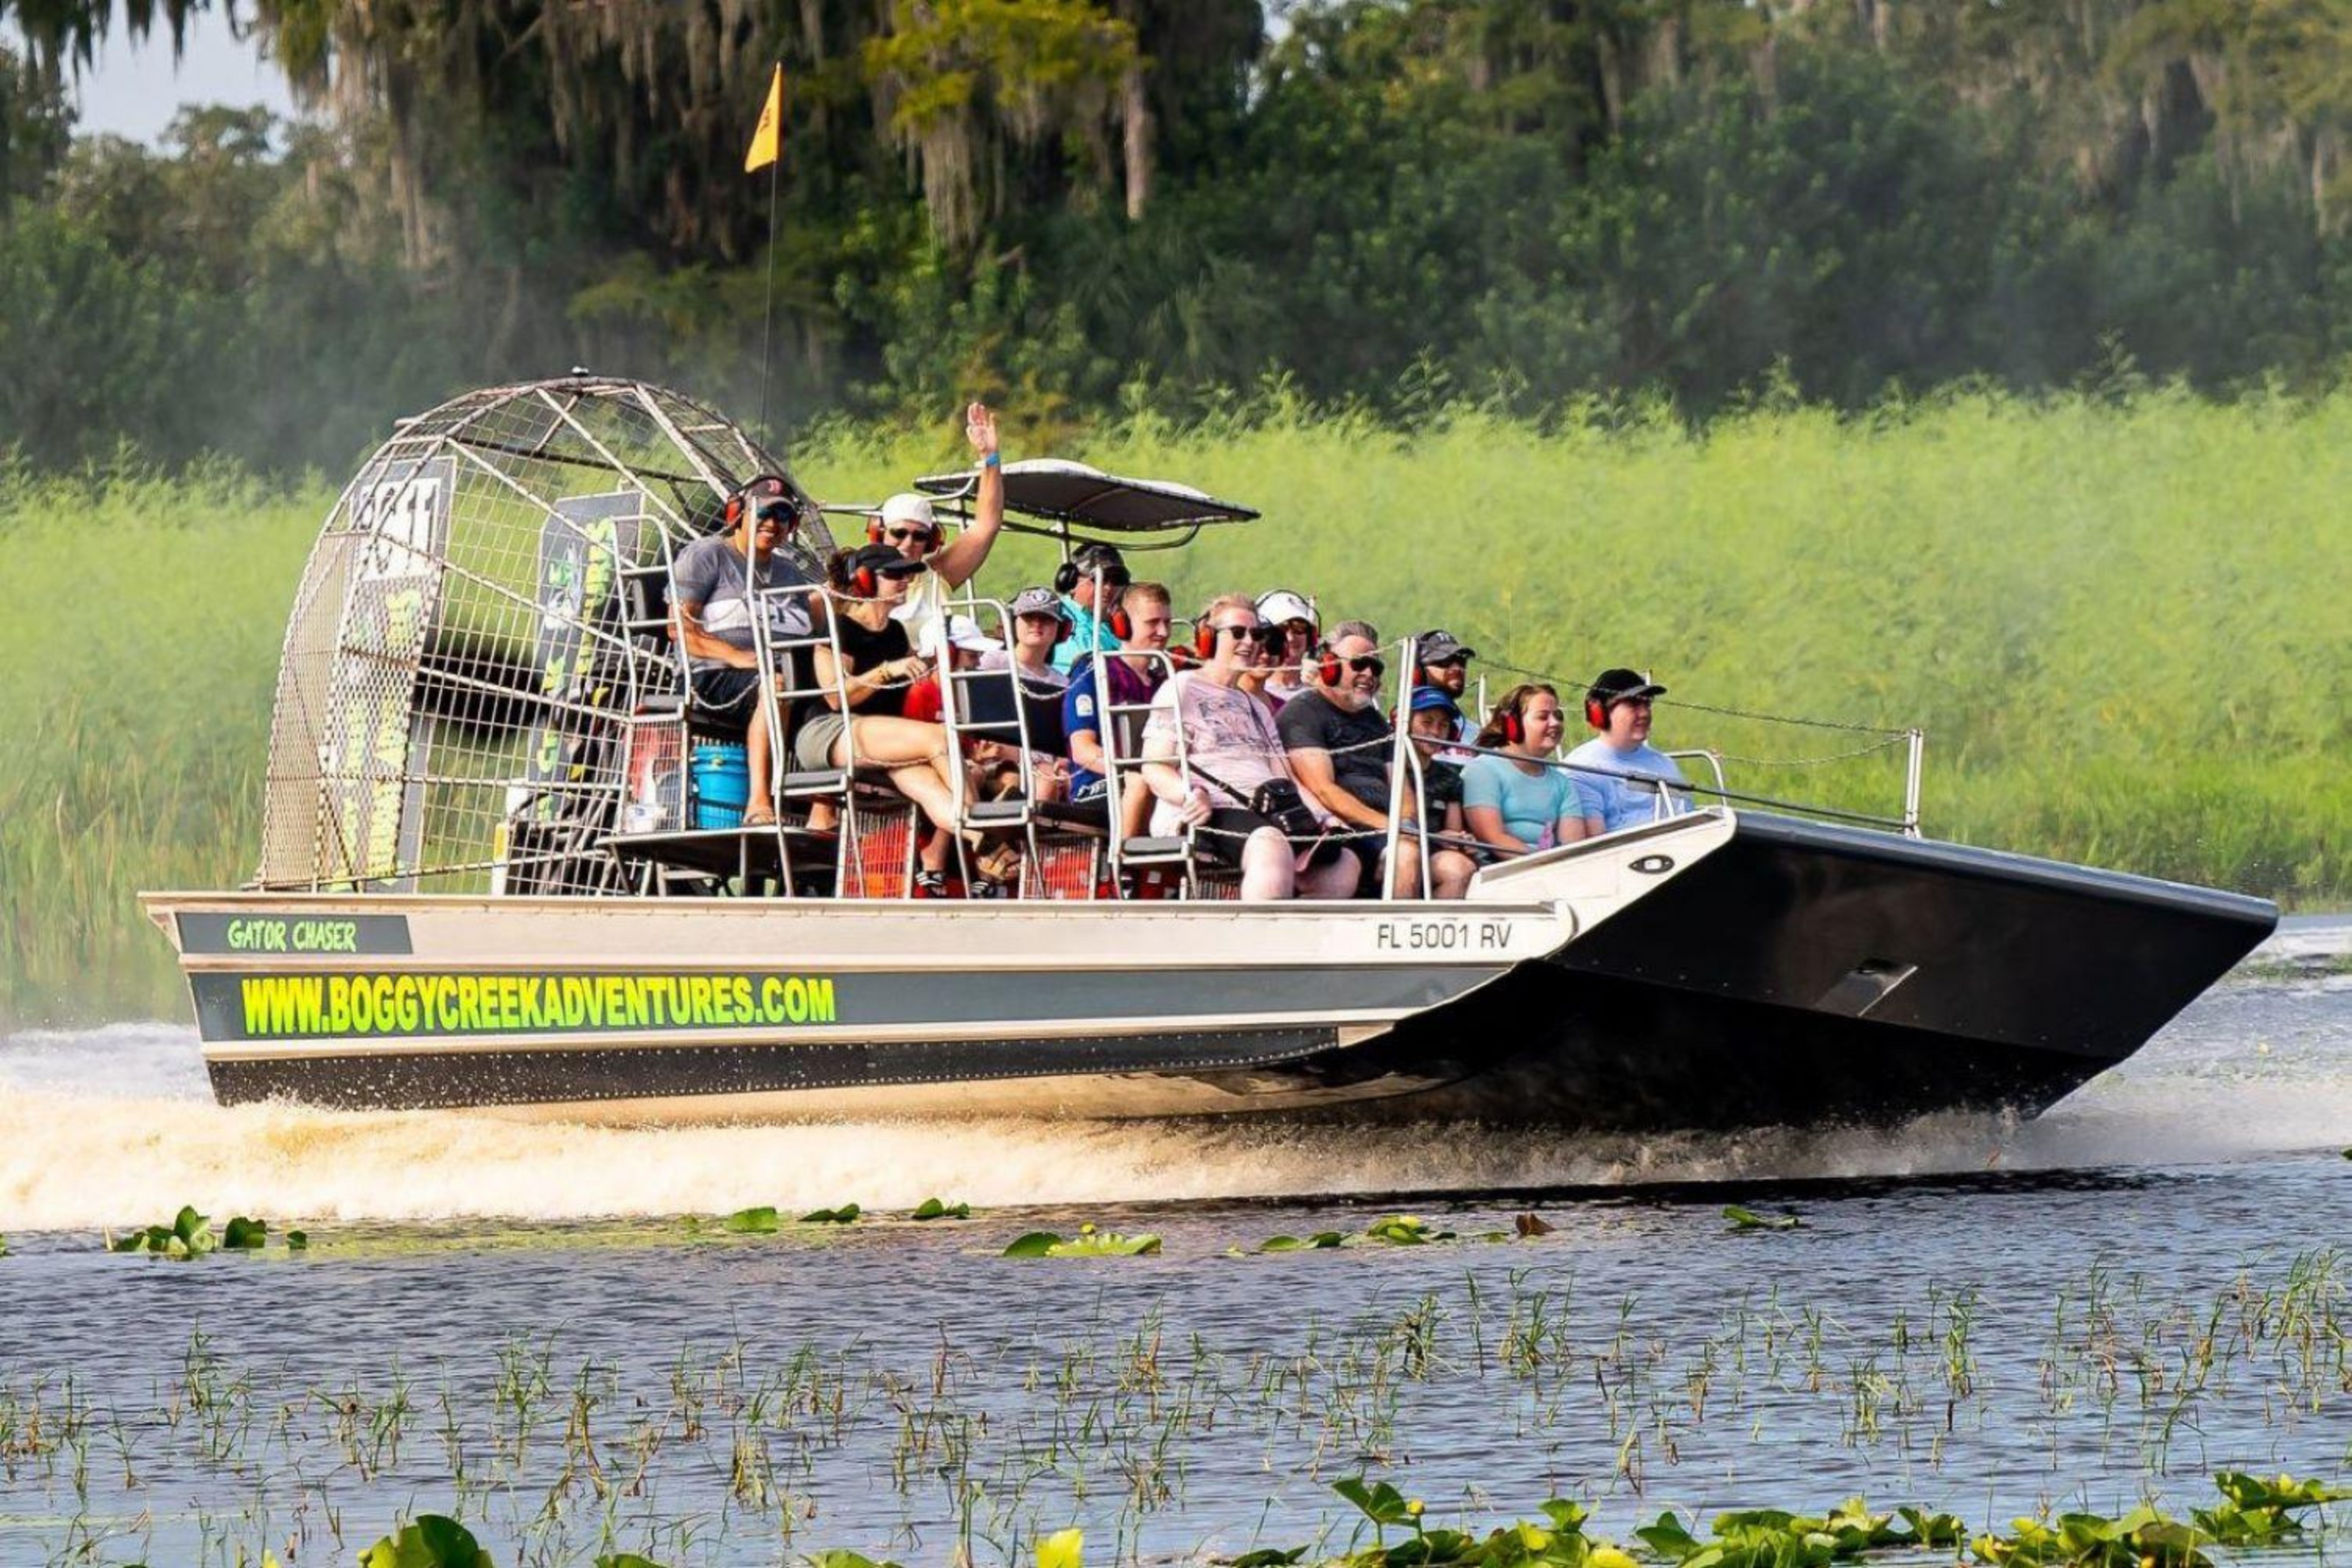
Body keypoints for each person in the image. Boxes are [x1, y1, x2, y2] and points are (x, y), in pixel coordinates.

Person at [802, 543, 996, 897]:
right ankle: (984, 828)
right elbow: (835, 696)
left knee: (930, 785)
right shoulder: (839, 627)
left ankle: (980, 839)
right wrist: (887, 671)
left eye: (907, 574)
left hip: (879, 738)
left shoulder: (895, 633)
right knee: (939, 739)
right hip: (832, 731)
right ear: (864, 580)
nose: (905, 580)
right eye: (894, 574)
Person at [1142, 594, 1361, 902]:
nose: (1250, 642)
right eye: (1237, 632)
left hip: (1265, 811)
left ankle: (1296, 939)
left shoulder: (1255, 705)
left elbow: (1284, 775)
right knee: (1270, 845)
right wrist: (1189, 793)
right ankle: (1261, 942)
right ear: (1207, 638)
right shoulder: (1183, 686)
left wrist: (1323, 817)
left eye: (1256, 634)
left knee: (1344, 863)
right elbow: (1154, 766)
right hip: (1210, 808)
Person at [1278, 624, 1473, 900]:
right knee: (1405, 853)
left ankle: (1425, 940)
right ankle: (1398, 933)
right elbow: (1324, 790)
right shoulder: (1302, 712)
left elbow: (1401, 786)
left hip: (1391, 830)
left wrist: (1406, 822)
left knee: (1458, 868)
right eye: (1359, 664)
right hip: (1344, 832)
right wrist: (1389, 826)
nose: (1368, 674)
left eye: (1376, 668)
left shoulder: (1374, 721)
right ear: (1329, 664)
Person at [670, 474, 819, 827]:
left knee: (833, 697)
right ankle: (758, 802)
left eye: (782, 516)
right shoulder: (708, 555)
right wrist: (735, 656)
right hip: (712, 676)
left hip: (780, 673)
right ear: (738, 514)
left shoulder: (789, 572)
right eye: (764, 513)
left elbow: (810, 625)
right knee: (777, 685)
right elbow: (679, 627)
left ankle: (821, 811)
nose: (772, 523)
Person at [876, 401, 1010, 652]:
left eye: (919, 536)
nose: (908, 543)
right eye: (899, 533)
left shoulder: (936, 575)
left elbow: (987, 525)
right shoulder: (860, 579)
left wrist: (989, 457)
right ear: (879, 533)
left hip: (938, 681)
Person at [1063, 580, 1172, 835]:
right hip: (1099, 785)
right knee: (1142, 780)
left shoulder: (1166, 681)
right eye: (1152, 623)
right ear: (1121, 624)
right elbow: (1082, 750)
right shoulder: (1094, 672)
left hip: (1154, 779)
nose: (1163, 632)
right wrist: (1137, 770)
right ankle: (1126, 864)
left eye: (1167, 623)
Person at [1461, 684, 1597, 857]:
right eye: (1543, 717)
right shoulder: (1482, 770)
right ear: (1512, 724)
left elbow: (1573, 847)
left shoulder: (1562, 783)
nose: (1555, 723)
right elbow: (1494, 838)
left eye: (1558, 716)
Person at [1565, 667, 1691, 835]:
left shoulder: (1665, 764)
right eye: (1633, 705)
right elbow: (1595, 847)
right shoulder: (1581, 769)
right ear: (1599, 713)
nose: (1645, 713)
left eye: (1647, 704)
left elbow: (1689, 821)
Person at [1051, 542, 1131, 674]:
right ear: (1072, 580)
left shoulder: (1110, 625)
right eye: (1099, 579)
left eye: (1117, 580)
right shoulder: (1055, 615)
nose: (1108, 588)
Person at [1255, 589, 1318, 709]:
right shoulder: (1251, 694)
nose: (1290, 638)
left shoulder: (1320, 694)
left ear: (1311, 637)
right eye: (1281, 629)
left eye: (1299, 628)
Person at [1413, 629, 1478, 742]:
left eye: (1461, 661)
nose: (1457, 668)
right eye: (1444, 661)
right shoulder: (1398, 730)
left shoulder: (1477, 735)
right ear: (1418, 672)